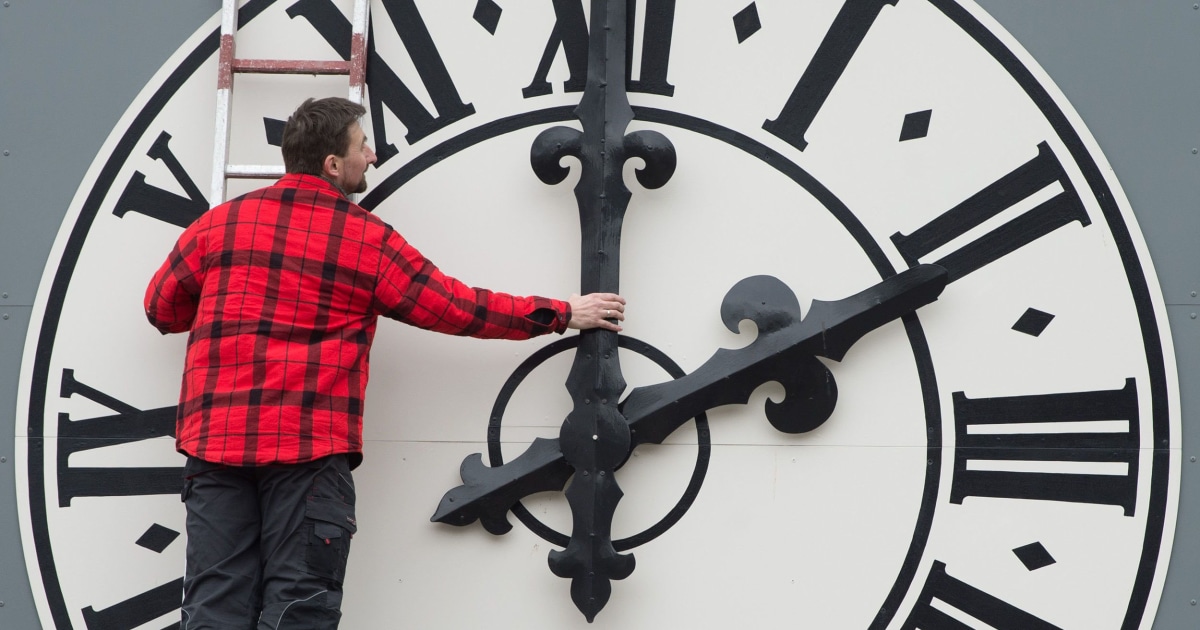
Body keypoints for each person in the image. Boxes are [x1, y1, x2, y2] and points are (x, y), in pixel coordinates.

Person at [144, 96, 625, 629]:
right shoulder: (365, 241)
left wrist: (233, 313)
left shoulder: (219, 226)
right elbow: (456, 307)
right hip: (308, 454)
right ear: (332, 165)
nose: (371, 157)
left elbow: (161, 307)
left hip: (217, 446)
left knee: (213, 605)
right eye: (362, 147)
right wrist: (561, 313)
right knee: (299, 608)